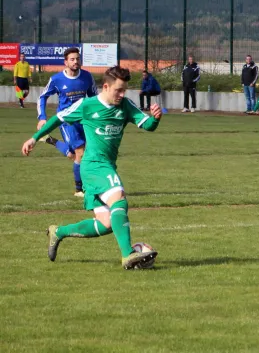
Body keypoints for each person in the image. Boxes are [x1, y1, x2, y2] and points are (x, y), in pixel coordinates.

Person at [22, 66, 160, 270]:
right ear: (106, 86)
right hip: (93, 165)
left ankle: (58, 232)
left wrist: (156, 119)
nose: (122, 95)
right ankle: (127, 255)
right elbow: (58, 118)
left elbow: (147, 125)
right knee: (118, 197)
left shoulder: (126, 106)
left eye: (124, 90)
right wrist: (34, 138)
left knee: (105, 224)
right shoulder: (87, 105)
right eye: (118, 90)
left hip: (106, 165)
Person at [37, 47, 98, 197]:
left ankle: (50, 140)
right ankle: (80, 190)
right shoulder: (56, 79)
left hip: (84, 120)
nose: (76, 61)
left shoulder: (87, 77)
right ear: (66, 62)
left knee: (74, 155)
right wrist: (42, 117)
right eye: (72, 59)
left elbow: (94, 97)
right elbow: (42, 97)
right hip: (67, 122)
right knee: (80, 153)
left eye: (77, 58)